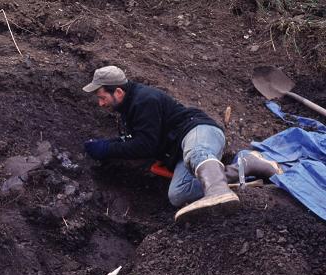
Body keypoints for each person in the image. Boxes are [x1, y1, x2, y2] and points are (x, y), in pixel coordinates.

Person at [82, 66, 283, 222]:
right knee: (178, 195)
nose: (100, 103)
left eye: (102, 97)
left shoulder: (144, 100)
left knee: (196, 152)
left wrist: (107, 149)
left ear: (118, 92)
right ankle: (246, 165)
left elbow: (145, 145)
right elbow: (137, 139)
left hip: (198, 131)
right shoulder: (127, 109)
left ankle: (217, 191)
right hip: (180, 153)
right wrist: (106, 144)